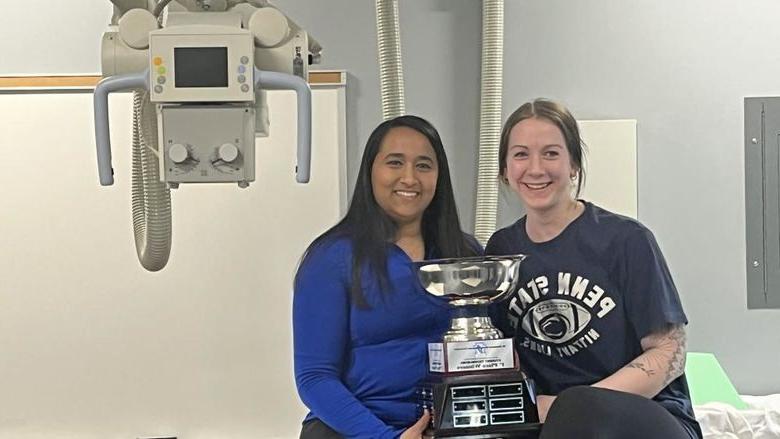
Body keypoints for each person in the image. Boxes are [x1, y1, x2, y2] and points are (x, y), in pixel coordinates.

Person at [485, 99, 703, 439]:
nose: (536, 168)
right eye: (521, 154)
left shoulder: (627, 240)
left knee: (578, 409)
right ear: (505, 169)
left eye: (551, 153)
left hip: (647, 417)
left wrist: (568, 405)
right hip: (550, 423)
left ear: (573, 164)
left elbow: (669, 351)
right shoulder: (500, 252)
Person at [293, 115, 481, 439]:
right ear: (371, 171)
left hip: (456, 426)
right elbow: (315, 377)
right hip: (355, 430)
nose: (409, 178)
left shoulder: (467, 253)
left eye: (424, 165)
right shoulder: (331, 258)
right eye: (395, 162)